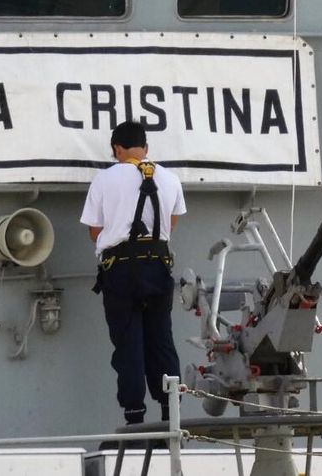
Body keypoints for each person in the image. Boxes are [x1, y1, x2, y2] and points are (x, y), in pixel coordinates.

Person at [80, 120, 187, 425]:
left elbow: (95, 231)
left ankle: (134, 417)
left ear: (117, 148)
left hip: (121, 271)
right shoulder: (170, 178)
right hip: (159, 267)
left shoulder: (104, 179)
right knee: (162, 340)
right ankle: (171, 413)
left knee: (128, 344)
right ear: (146, 148)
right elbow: (171, 224)